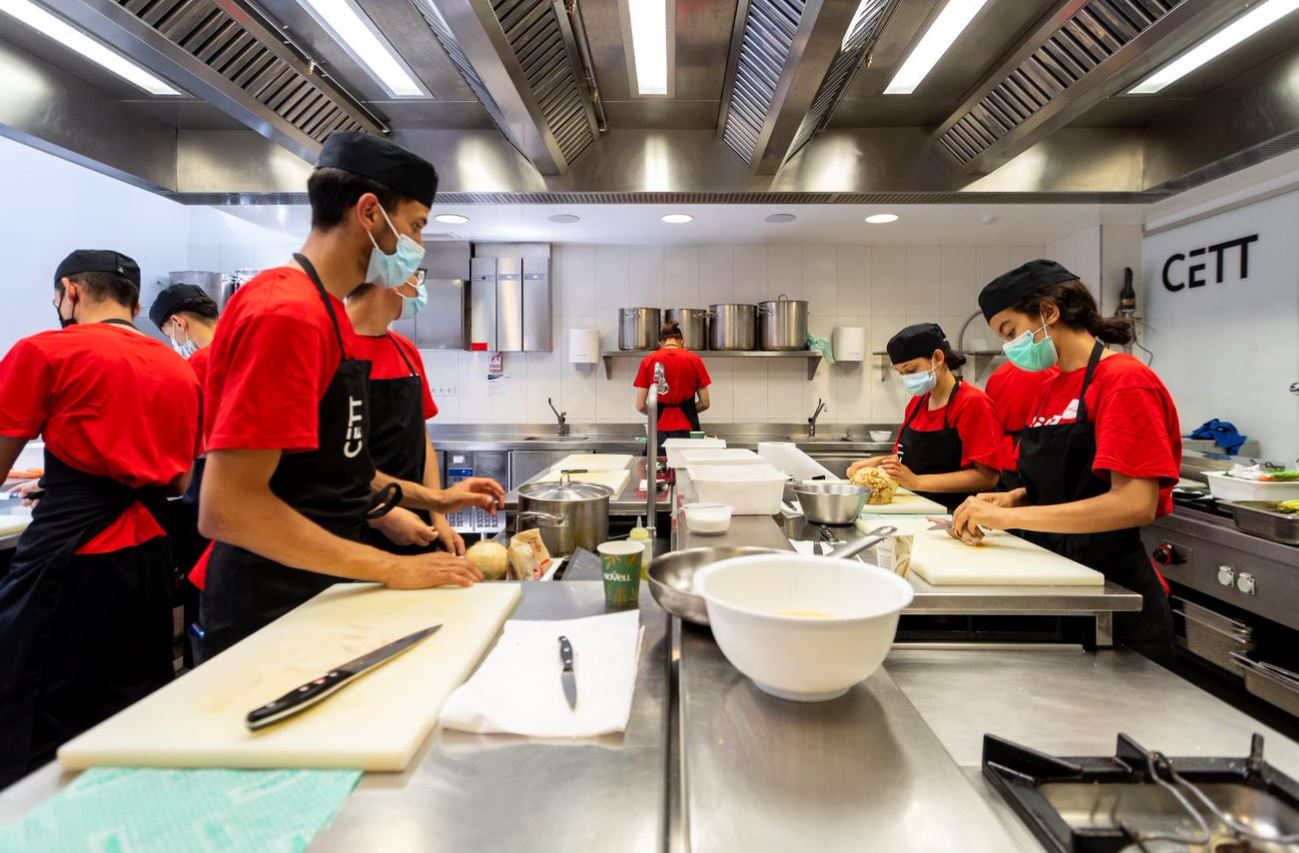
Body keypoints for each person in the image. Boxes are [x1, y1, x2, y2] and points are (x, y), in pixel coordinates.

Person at [195, 132, 501, 663]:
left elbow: (334, 467)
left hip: (318, 590)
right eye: (415, 226)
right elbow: (228, 508)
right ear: (369, 214)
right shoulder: (283, 312)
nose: (418, 246)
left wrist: (436, 501)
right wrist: (390, 567)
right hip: (272, 608)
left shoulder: (325, 311)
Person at [0, 250, 201, 785]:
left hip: (71, 561)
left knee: (36, 713)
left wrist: (73, 490)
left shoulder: (43, 352)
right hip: (149, 558)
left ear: (70, 290)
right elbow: (178, 480)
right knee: (132, 708)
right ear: (135, 304)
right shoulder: (178, 369)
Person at [954, 260, 1179, 657]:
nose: (1009, 347)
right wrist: (1014, 497)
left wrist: (1010, 519)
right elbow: (1067, 482)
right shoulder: (1053, 387)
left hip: (1113, 597)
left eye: (1010, 331)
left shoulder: (1124, 381)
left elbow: (1134, 503)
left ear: (1049, 312)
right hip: (1060, 583)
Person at [345, 272, 464, 555]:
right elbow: (323, 462)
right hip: (354, 528)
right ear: (389, 279)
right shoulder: (331, 348)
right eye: (415, 274)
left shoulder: (405, 350)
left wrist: (438, 515)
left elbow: (421, 441)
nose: (418, 285)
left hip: (416, 526)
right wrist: (379, 513)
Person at [847, 323, 1002, 511]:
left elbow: (987, 477)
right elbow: (908, 459)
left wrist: (918, 482)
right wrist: (878, 462)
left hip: (958, 515)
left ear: (938, 357)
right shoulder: (917, 404)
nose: (907, 378)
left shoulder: (972, 403)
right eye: (901, 374)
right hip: (918, 507)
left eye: (911, 370)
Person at [148, 283, 221, 662]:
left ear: (177, 323)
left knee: (201, 593)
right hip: (253, 487)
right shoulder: (247, 352)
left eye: (167, 334)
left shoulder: (195, 366)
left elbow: (176, 440)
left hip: (207, 488)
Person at [634, 320, 711, 451]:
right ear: (683, 341)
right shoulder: (694, 360)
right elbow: (705, 403)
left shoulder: (648, 361)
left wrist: (658, 412)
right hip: (687, 431)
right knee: (685, 469)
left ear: (660, 343)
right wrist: (687, 410)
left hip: (657, 430)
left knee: (657, 469)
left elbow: (640, 406)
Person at [983, 359, 1057, 491]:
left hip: (1005, 459)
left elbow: (990, 419)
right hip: (1042, 453)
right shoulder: (1054, 372)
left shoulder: (997, 375)